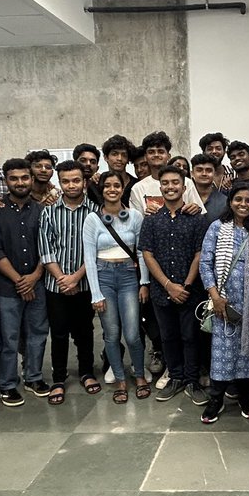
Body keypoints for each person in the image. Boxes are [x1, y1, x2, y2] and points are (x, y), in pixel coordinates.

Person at [199, 182, 249, 423]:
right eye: (238, 199)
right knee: (222, 350)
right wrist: (215, 296)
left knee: (247, 352)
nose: (243, 204)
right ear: (230, 201)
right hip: (224, 300)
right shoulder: (217, 228)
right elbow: (205, 263)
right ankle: (216, 398)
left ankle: (245, 394)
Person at [140, 166, 209, 405]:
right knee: (168, 336)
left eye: (175, 183)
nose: (170, 187)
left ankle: (192, 380)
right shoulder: (151, 221)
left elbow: (200, 253)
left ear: (184, 186)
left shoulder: (196, 219)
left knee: (191, 336)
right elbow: (147, 255)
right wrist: (169, 285)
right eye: (166, 183)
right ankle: (176, 377)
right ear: (160, 187)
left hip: (190, 290)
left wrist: (186, 285)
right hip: (162, 290)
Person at [0, 158, 50, 407]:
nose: (20, 183)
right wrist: (19, 280)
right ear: (6, 180)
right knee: (8, 337)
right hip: (6, 287)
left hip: (38, 282)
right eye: (14, 178)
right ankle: (8, 383)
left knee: (38, 333)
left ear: (32, 180)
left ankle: (33, 376)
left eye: (25, 178)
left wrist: (34, 277)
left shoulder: (42, 211)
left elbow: (48, 247)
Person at [84, 172, 151, 403]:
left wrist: (144, 282)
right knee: (111, 334)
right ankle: (120, 380)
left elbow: (142, 251)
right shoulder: (92, 219)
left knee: (132, 333)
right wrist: (95, 294)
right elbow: (89, 258)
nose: (112, 189)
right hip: (103, 276)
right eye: (107, 186)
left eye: (117, 185)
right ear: (101, 190)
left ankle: (140, 375)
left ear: (123, 189)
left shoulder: (134, 217)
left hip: (128, 277)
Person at [39, 160, 100, 404]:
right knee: (60, 332)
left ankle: (86, 372)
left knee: (85, 330)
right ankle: (59, 378)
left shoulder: (95, 212)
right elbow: (46, 250)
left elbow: (97, 250)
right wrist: (62, 278)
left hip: (85, 283)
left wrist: (76, 277)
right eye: (66, 181)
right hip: (56, 285)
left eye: (76, 180)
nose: (71, 185)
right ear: (59, 182)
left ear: (84, 182)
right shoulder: (48, 212)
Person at [132, 131, 204, 212]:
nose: (156, 155)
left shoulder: (186, 182)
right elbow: (136, 220)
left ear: (168, 156)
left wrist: (197, 209)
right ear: (145, 157)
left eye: (161, 151)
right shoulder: (138, 189)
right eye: (151, 152)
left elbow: (200, 212)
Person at [94, 134, 137, 207]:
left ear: (128, 159)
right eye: (115, 154)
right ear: (105, 157)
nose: (119, 158)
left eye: (124, 155)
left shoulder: (136, 185)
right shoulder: (96, 183)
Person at [191, 154, 228, 223]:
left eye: (209, 170)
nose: (204, 174)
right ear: (192, 173)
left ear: (214, 174)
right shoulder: (184, 198)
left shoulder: (225, 202)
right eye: (199, 170)